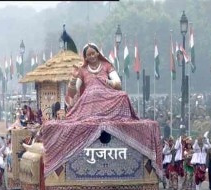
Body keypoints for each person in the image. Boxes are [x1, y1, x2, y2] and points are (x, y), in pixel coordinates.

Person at [40, 43, 162, 179]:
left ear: (98, 53)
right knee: (92, 94)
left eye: (93, 53)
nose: (92, 56)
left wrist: (107, 82)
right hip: (90, 101)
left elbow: (118, 84)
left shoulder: (107, 66)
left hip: (108, 97)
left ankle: (113, 116)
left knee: (123, 95)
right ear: (85, 57)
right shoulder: (82, 70)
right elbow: (73, 93)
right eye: (88, 55)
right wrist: (74, 79)